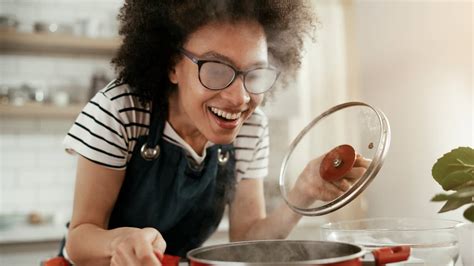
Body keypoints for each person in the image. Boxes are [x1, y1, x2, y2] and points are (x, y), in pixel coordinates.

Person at [60, 1, 368, 265]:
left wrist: (302, 193)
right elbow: (79, 240)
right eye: (217, 70)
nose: (240, 98)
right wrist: (118, 242)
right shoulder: (121, 109)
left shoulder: (252, 127)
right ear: (172, 66)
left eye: (254, 73)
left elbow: (247, 240)